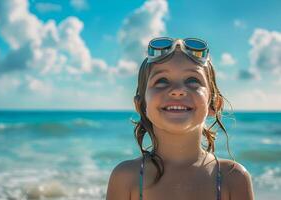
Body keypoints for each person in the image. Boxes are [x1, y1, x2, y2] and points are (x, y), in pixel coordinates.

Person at [106, 37, 254, 200]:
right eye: (162, 80)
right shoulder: (127, 178)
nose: (177, 90)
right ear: (141, 105)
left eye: (192, 80)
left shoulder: (233, 179)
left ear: (214, 104)